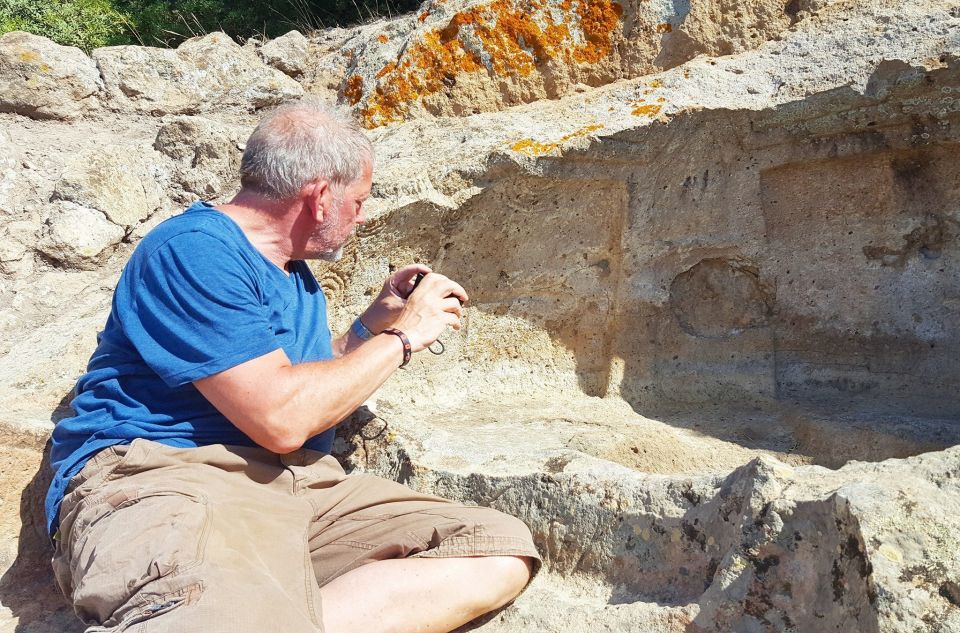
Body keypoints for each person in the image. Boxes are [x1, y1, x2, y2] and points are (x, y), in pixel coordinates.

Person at [46, 101, 540, 632]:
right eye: (359, 201)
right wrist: (404, 336)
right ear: (322, 197)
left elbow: (294, 377)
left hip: (297, 485)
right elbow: (281, 418)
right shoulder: (195, 251)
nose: (363, 216)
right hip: (173, 477)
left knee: (493, 550)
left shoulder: (293, 272)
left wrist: (369, 328)